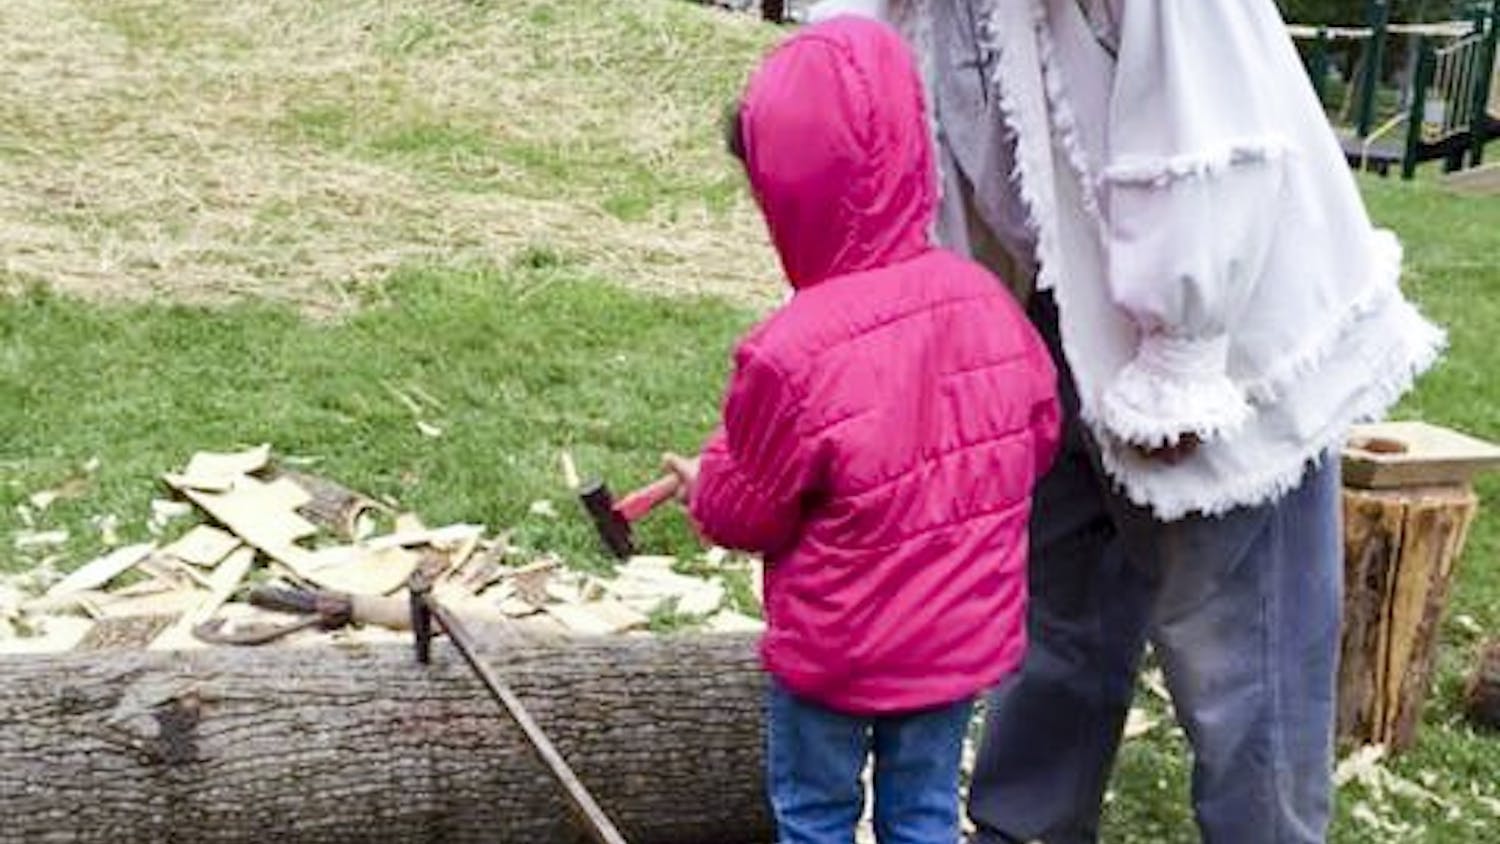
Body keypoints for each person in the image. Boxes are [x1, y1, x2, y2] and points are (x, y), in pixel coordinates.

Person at [803, 2, 1447, 843]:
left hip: (1228, 333)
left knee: (1241, 657)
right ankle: (1020, 831)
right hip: (1054, 312)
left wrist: (1182, 357)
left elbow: (1210, 120)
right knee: (1053, 617)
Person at [662, 15, 1061, 844]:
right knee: (921, 815)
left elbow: (751, 511)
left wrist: (709, 480)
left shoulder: (788, 352)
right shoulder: (985, 300)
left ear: (786, 190)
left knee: (815, 814)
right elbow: (1039, 435)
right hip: (956, 642)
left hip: (837, 654)